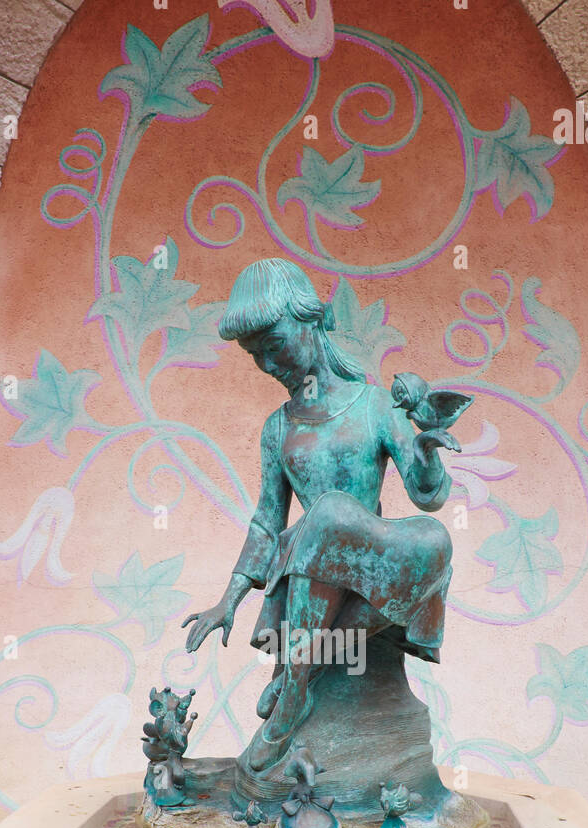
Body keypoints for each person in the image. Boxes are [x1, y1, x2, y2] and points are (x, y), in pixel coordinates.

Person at [182, 257, 457, 772]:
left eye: (274, 345)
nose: (267, 365)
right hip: (313, 566)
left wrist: (427, 450)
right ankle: (293, 702)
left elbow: (428, 498)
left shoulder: (377, 405)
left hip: (373, 557)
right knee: (327, 515)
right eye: (254, 355)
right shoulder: (278, 428)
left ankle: (294, 676)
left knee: (436, 537)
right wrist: (229, 599)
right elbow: (267, 521)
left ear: (312, 321)